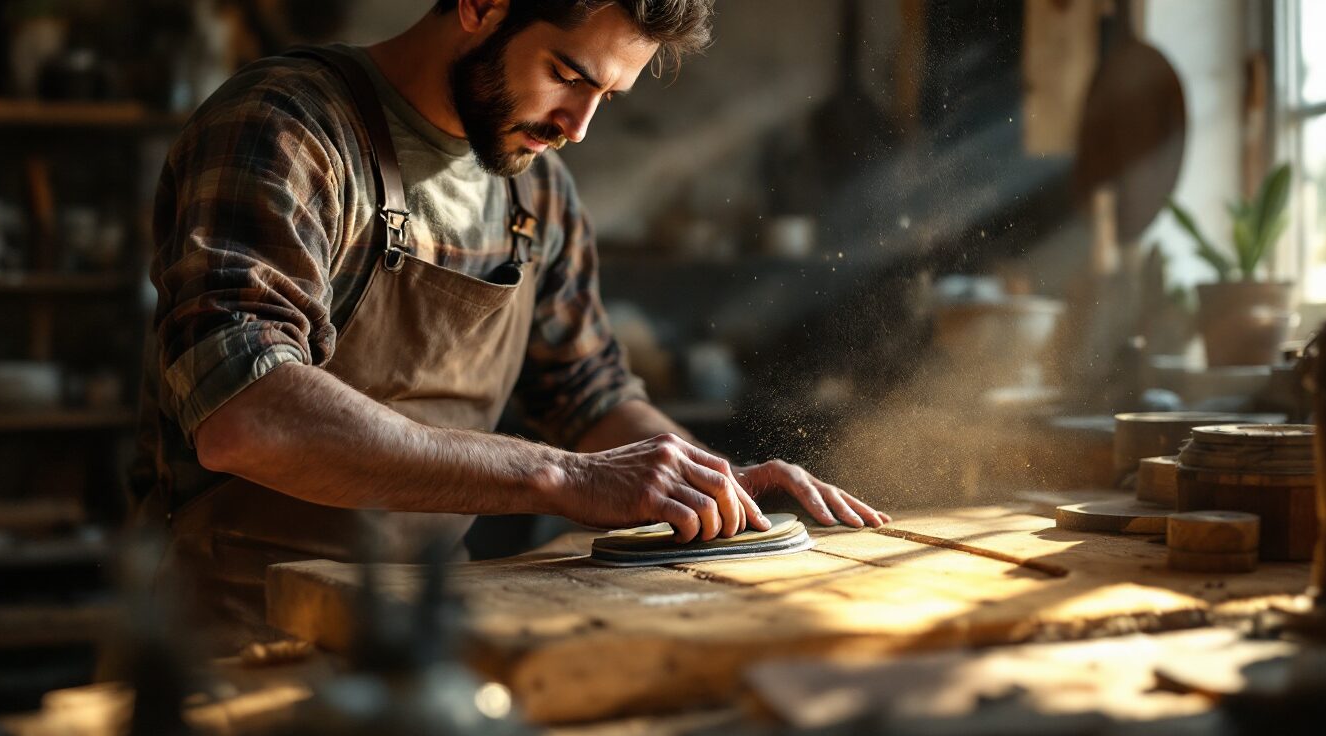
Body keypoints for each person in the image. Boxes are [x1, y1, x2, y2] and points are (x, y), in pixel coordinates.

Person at [131, 0, 889, 643]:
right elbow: (246, 414)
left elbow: (588, 396)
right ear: (480, 5)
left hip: (430, 623)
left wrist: (709, 485)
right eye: (567, 76)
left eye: (606, 97)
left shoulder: (540, 194)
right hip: (235, 631)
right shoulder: (288, 128)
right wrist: (562, 476)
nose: (579, 126)